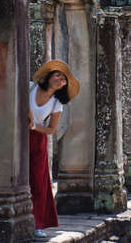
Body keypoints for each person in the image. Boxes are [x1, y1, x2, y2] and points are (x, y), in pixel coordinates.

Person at [28, 60, 80, 238]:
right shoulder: (30, 88)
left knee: (38, 182)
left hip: (37, 139)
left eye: (64, 79)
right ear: (49, 76)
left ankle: (37, 224)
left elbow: (50, 130)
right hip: (16, 137)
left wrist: (33, 126)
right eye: (58, 74)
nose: (60, 79)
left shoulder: (57, 104)